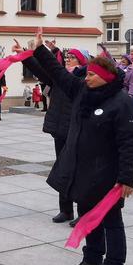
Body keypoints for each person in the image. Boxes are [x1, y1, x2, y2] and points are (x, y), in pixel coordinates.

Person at [29, 28, 133, 265]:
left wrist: (126, 178)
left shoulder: (122, 103)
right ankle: (92, 260)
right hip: (83, 170)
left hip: (108, 175)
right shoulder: (82, 91)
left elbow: (129, 143)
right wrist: (40, 49)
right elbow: (57, 74)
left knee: (111, 221)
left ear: (104, 77)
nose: (85, 77)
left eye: (91, 74)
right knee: (87, 215)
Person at [18, 40, 87, 225]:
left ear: (82, 61)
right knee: (62, 170)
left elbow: (54, 67)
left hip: (76, 131)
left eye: (72, 57)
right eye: (68, 56)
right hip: (60, 129)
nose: (68, 59)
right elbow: (43, 71)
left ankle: (83, 212)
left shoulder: (82, 79)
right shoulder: (60, 77)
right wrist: (26, 57)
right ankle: (65, 210)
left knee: (78, 172)